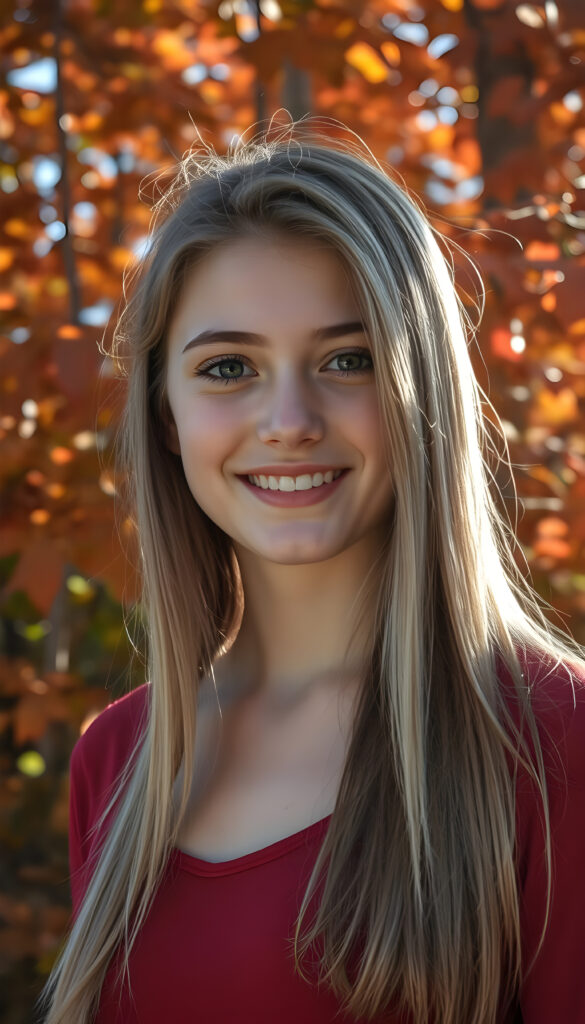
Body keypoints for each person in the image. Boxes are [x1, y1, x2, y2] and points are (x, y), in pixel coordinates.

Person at [40, 117, 585, 1024]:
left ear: (422, 390)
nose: (288, 420)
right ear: (166, 416)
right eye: (228, 367)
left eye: (347, 359)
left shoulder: (554, 741)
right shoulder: (118, 758)